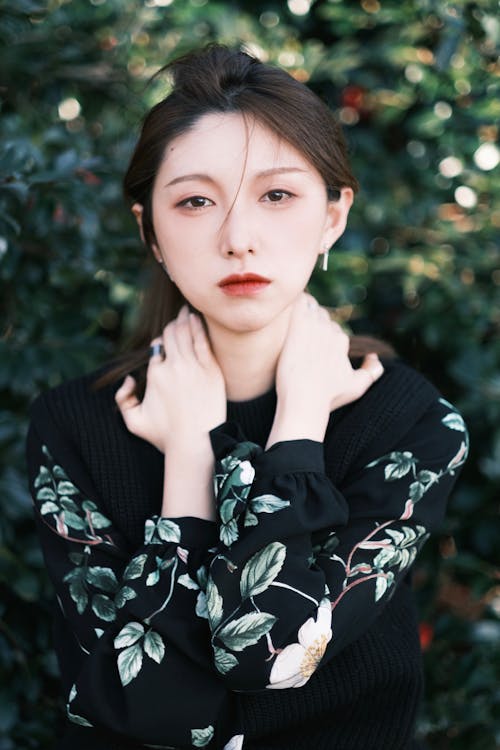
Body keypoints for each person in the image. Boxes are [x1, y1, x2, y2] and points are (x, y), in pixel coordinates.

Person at [26, 44, 469, 750]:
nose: (239, 239)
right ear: (151, 231)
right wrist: (188, 460)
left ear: (333, 216)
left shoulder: (411, 423)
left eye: (277, 195)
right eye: (196, 201)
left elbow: (271, 654)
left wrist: (297, 428)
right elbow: (156, 712)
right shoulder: (74, 425)